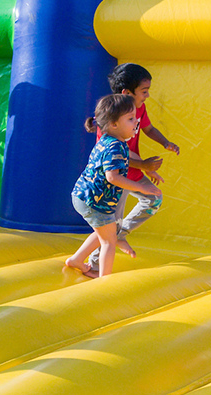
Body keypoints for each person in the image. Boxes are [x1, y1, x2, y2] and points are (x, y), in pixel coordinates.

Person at [85, 63, 181, 267]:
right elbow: (119, 154)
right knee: (111, 223)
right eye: (144, 91)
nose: (147, 95)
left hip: (133, 169)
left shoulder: (139, 108)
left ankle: (120, 235)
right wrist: (144, 165)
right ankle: (93, 265)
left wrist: (165, 143)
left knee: (153, 199)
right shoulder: (112, 120)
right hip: (116, 176)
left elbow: (149, 129)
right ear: (127, 93)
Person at [66, 94, 161, 279]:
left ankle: (76, 260)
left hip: (85, 196)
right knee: (109, 241)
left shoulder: (110, 140)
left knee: (104, 232)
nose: (136, 122)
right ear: (114, 124)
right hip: (94, 200)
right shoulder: (115, 146)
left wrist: (146, 169)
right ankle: (104, 281)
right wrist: (141, 188)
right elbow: (112, 177)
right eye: (130, 119)